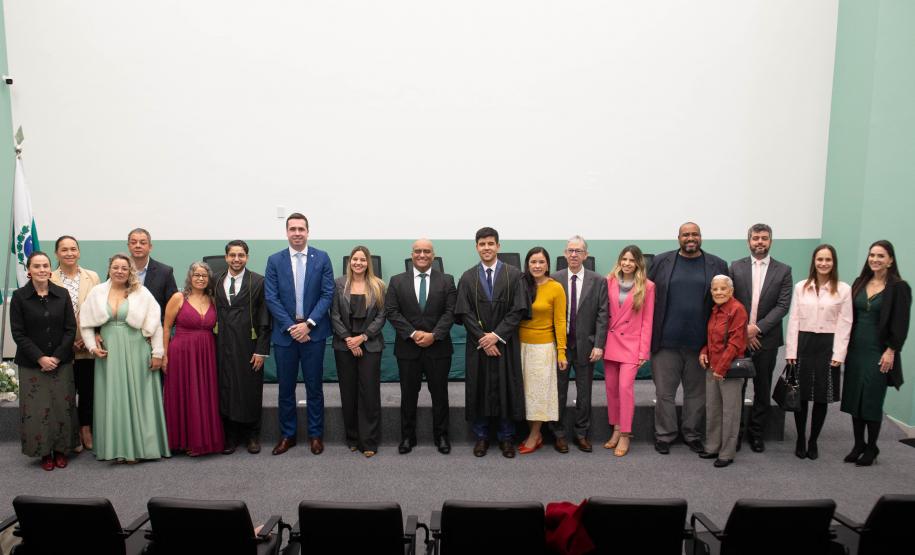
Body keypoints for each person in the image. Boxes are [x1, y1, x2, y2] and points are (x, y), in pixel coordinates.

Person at [647, 222, 728, 455]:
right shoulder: (661, 262)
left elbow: (725, 303)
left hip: (700, 345)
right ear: (678, 238)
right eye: (686, 235)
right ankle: (665, 435)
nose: (690, 238)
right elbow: (646, 293)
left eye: (694, 234)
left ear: (700, 237)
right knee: (664, 394)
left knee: (696, 395)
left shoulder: (717, 264)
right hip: (665, 342)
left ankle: (692, 434)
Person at [80, 254, 170, 462]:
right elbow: (85, 323)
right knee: (113, 398)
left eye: (124, 268)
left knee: (140, 398)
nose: (119, 271)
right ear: (109, 269)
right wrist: (92, 347)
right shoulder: (97, 292)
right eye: (115, 267)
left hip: (137, 348)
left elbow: (155, 324)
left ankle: (140, 448)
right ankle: (117, 448)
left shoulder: (141, 292)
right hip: (109, 352)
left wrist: (157, 353)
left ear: (130, 271)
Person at [264, 213, 335, 456]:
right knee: (285, 388)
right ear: (286, 232)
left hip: (313, 334)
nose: (297, 233)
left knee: (314, 387)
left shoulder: (322, 258)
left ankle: (316, 435)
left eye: (301, 229)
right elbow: (271, 297)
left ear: (307, 231)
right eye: (292, 229)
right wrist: (292, 327)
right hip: (286, 335)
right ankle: (288, 435)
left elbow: (327, 294)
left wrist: (309, 324)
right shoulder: (275, 260)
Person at [454, 227, 529, 458]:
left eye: (490, 243)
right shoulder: (467, 277)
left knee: (507, 387)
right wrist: (483, 338)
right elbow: (464, 312)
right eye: (482, 244)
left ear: (498, 246)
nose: (486, 248)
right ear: (476, 247)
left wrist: (495, 336)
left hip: (505, 343)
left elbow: (518, 310)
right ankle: (482, 437)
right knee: (479, 388)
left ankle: (507, 437)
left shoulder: (514, 275)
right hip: (478, 346)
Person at [841, 240, 911, 466]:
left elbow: (901, 323)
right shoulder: (860, 282)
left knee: (871, 399)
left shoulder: (899, 287)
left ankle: (872, 447)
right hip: (855, 349)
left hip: (879, 351)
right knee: (855, 398)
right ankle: (858, 444)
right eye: (872, 255)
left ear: (890, 260)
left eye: (881, 256)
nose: (875, 259)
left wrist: (891, 350)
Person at [385, 238, 457, 455]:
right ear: (412, 254)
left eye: (426, 251)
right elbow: (392, 311)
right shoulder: (397, 281)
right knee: (408, 395)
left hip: (438, 347)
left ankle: (441, 436)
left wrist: (434, 335)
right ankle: (407, 437)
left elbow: (451, 312)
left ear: (433, 255)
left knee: (440, 394)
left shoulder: (447, 280)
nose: (422, 255)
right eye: (418, 251)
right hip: (408, 348)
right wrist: (414, 333)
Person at [10, 251, 79, 470]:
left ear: (50, 269)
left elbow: (70, 329)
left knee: (62, 406)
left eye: (45, 266)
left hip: (61, 362)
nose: (41, 270)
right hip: (32, 364)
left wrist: (56, 356)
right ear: (29, 270)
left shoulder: (62, 294)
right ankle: (43, 452)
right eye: (36, 266)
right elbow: (18, 333)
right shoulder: (20, 297)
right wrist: (40, 358)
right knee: (37, 409)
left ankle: (61, 450)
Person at [729, 224, 793, 453]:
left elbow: (782, 306)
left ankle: (756, 434)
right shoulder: (736, 267)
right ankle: (735, 434)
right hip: (739, 339)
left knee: (762, 388)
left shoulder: (783, 270)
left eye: (764, 238)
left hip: (767, 340)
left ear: (770, 242)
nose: (760, 242)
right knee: (737, 388)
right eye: (755, 238)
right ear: (749, 241)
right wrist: (744, 332)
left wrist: (756, 329)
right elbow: (730, 302)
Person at [785, 244, 852, 460]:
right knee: (801, 396)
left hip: (828, 346)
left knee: (822, 397)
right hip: (803, 344)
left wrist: (839, 354)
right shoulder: (801, 286)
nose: (823, 263)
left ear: (834, 262)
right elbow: (794, 319)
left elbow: (845, 323)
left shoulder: (843, 289)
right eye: (820, 259)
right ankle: (800, 439)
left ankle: (813, 440)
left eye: (828, 259)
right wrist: (791, 351)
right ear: (814, 261)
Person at [548, 236, 608, 454]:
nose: (574, 254)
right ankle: (558, 434)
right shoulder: (554, 279)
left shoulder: (598, 280)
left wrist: (599, 344)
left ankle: (581, 433)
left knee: (584, 393)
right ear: (565, 254)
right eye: (570, 250)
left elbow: (603, 314)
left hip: (586, 347)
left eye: (578, 251)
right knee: (558, 392)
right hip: (561, 347)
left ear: (586, 255)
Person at [214, 240, 271, 455]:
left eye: (241, 255)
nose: (236, 259)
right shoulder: (216, 280)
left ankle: (252, 435)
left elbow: (265, 318)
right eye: (232, 255)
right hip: (222, 344)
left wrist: (261, 350)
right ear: (226, 257)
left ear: (247, 257)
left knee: (250, 389)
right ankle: (230, 436)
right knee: (226, 389)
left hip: (248, 344)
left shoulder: (258, 281)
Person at [161, 262, 223, 456]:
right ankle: (182, 440)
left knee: (203, 395)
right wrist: (164, 355)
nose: (200, 278)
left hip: (206, 353)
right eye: (197, 275)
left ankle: (200, 440)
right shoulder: (178, 298)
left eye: (204, 275)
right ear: (190, 277)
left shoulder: (213, 300)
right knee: (184, 394)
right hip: (181, 353)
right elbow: (166, 328)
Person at [330, 246, 387, 457]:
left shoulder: (379, 285)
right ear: (350, 262)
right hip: (344, 345)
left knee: (369, 392)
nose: (358, 263)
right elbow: (334, 314)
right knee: (348, 392)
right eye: (355, 259)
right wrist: (348, 339)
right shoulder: (338, 284)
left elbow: (381, 316)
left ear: (368, 262)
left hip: (370, 344)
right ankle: (353, 438)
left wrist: (362, 338)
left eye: (363, 260)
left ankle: (369, 441)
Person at [50, 235, 101, 452]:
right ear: (56, 254)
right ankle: (70, 434)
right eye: (64, 249)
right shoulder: (49, 278)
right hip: (61, 347)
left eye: (73, 249)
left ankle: (85, 430)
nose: (69, 253)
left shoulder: (93, 277)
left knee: (87, 391)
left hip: (87, 345)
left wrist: (91, 337)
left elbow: (100, 309)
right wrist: (67, 343)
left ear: (79, 252)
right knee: (65, 393)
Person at [603, 245, 655, 457]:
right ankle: (615, 429)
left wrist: (643, 352)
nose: (627, 263)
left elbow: (647, 321)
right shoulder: (608, 281)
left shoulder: (648, 286)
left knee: (625, 388)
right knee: (611, 389)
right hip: (610, 342)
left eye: (631, 260)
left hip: (632, 346)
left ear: (638, 263)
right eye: (624, 259)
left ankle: (625, 433)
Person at [518, 247, 567, 454]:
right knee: (525, 394)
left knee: (538, 394)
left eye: (541, 262)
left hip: (543, 349)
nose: (537, 266)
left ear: (547, 265)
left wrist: (562, 351)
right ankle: (535, 433)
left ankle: (534, 435)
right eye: (533, 262)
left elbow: (560, 322)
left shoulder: (556, 288)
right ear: (527, 265)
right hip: (520, 347)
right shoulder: (521, 284)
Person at [697, 275, 748, 468]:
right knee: (714, 409)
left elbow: (736, 343)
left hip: (728, 370)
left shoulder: (737, 309)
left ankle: (727, 453)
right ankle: (712, 447)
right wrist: (704, 351)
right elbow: (712, 338)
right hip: (713, 368)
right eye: (715, 289)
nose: (719, 292)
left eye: (723, 289)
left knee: (730, 413)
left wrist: (721, 368)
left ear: (731, 291)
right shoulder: (714, 310)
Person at [127, 228, 178, 320]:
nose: (138, 246)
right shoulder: (118, 271)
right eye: (133, 242)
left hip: (155, 326)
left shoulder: (165, 272)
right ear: (128, 246)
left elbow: (173, 306)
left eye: (142, 243)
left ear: (150, 247)